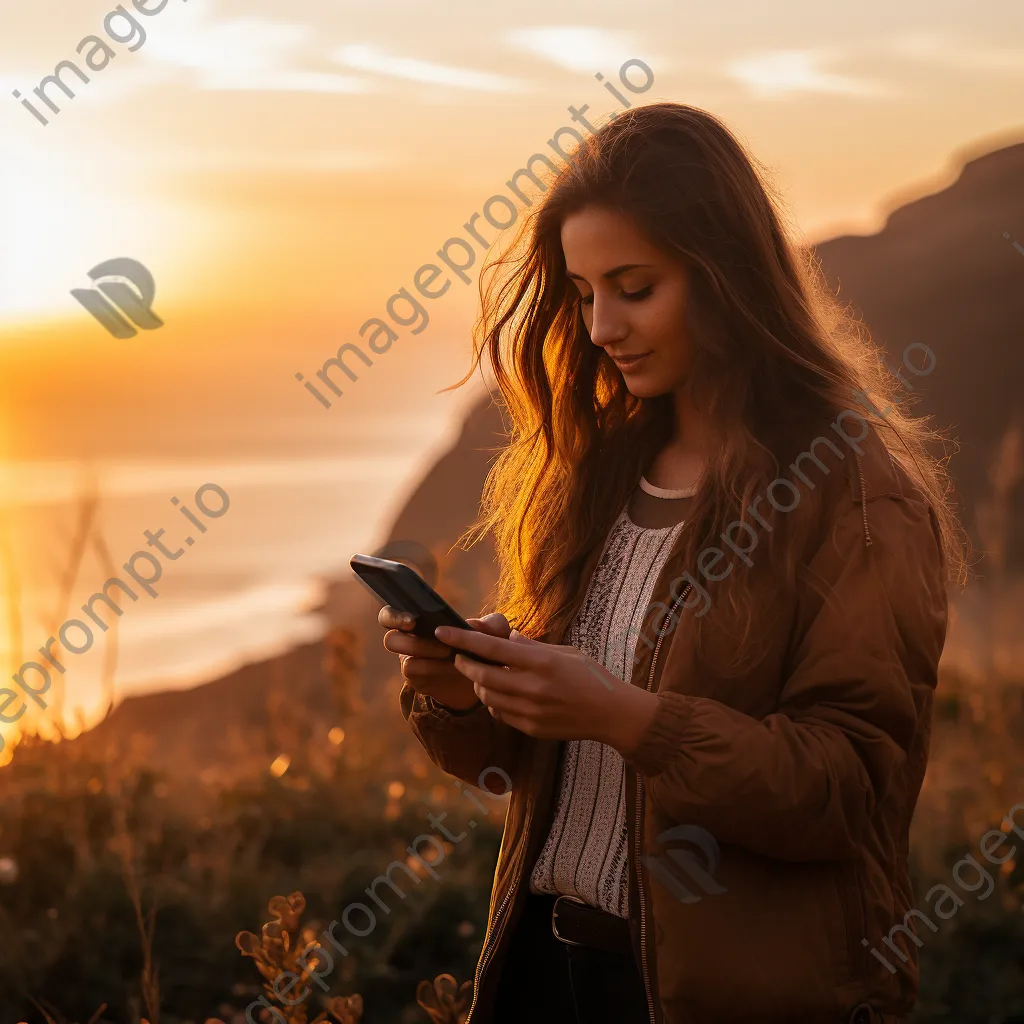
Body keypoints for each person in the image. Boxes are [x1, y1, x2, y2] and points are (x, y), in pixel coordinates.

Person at [377, 102, 964, 1024]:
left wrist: (629, 717)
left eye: (634, 287)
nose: (602, 324)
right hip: (541, 968)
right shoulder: (597, 471)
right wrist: (463, 690)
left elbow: (849, 792)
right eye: (581, 292)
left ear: (725, 277)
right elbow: (528, 770)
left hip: (722, 996)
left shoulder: (853, 495)